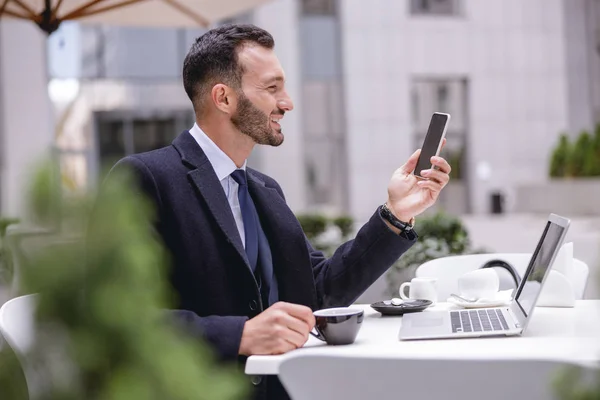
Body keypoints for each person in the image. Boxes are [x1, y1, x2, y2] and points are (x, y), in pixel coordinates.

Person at [109, 24, 451, 400]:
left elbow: (319, 292)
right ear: (223, 97)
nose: (287, 102)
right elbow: (117, 319)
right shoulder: (144, 178)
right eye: (272, 89)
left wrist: (396, 214)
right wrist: (241, 334)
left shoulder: (265, 191)